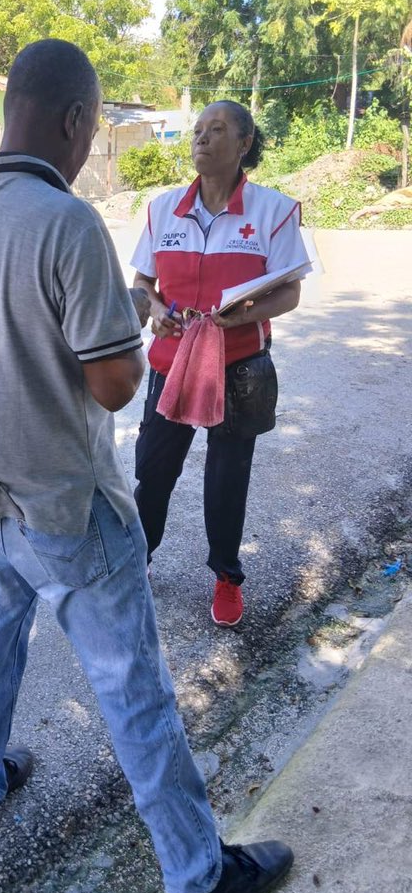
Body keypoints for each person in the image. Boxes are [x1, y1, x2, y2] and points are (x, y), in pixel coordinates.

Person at [0, 40, 293, 893]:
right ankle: (197, 873)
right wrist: (122, 333)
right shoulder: (67, 222)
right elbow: (117, 384)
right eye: (91, 129)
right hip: (68, 508)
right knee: (134, 686)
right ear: (78, 120)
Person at [131, 101, 309, 628]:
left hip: (238, 366)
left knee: (227, 477)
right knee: (153, 471)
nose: (202, 139)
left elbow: (290, 291)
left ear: (244, 143)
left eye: (217, 130)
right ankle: (138, 560)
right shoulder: (162, 209)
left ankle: (227, 577)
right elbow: (143, 283)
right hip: (172, 361)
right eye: (198, 131)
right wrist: (158, 312)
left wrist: (244, 315)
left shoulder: (272, 211)